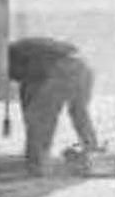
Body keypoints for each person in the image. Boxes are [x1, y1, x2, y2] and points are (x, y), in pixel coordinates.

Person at [8, 37, 103, 176]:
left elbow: (29, 95)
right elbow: (28, 91)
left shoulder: (11, 58)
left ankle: (37, 164)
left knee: (40, 118)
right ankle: (92, 151)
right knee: (79, 112)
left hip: (62, 68)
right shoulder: (23, 51)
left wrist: (30, 123)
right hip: (83, 66)